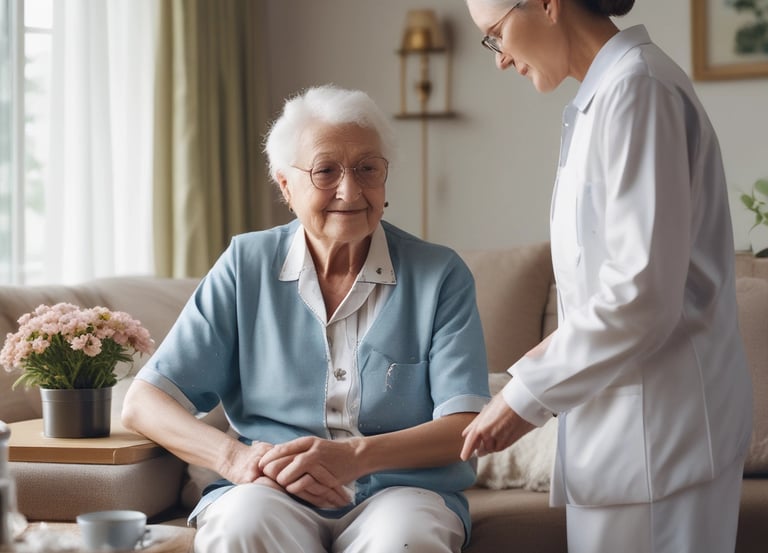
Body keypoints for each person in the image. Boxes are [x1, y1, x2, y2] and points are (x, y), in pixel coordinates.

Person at [122, 85, 490, 553]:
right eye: (326, 171)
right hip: (272, 489)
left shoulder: (440, 274)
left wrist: (354, 456)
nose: (349, 190)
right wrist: (235, 459)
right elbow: (144, 402)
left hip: (403, 491)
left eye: (367, 169)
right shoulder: (245, 264)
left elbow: (465, 423)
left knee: (406, 540)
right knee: (241, 524)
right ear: (285, 185)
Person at [460, 1, 753, 553]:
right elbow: (602, 294)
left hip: (665, 440)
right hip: (626, 441)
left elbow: (640, 294)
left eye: (496, 34)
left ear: (547, 4)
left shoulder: (638, 91)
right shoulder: (604, 98)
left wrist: (525, 397)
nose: (499, 60)